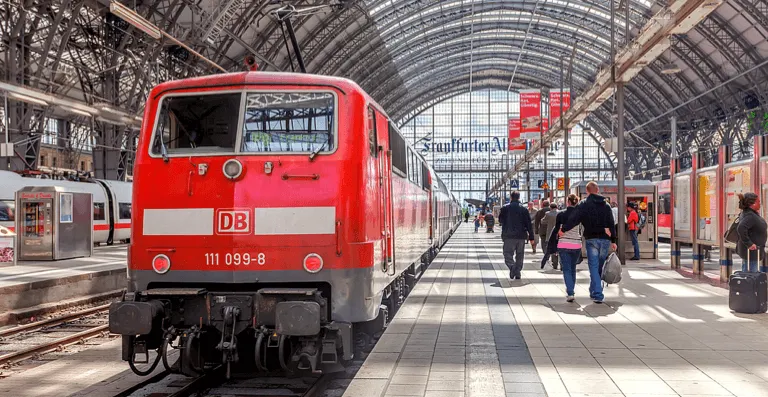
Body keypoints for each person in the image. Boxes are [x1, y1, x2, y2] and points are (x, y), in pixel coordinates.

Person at [560, 181, 616, 304]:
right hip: (605, 240)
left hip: (591, 240)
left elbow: (574, 219)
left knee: (594, 267)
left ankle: (598, 294)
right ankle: (594, 290)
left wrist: (563, 230)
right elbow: (611, 223)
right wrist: (614, 240)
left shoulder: (584, 204)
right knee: (599, 267)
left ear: (587, 191)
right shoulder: (606, 205)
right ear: (597, 190)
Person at [548, 194, 583, 302]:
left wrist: (552, 245)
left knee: (566, 269)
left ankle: (570, 292)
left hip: (564, 244)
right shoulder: (579, 215)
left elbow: (557, 231)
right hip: (576, 244)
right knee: (572, 268)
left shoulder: (561, 215)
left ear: (568, 202)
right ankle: (571, 289)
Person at [498, 191, 535, 280]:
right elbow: (528, 224)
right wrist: (531, 237)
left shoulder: (505, 208)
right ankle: (517, 271)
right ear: (518, 198)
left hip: (508, 236)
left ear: (511, 197)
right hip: (521, 236)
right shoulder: (524, 209)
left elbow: (500, 220)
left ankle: (513, 268)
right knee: (520, 254)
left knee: (507, 254)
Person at [735, 192, 767, 272]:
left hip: (753, 252)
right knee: (751, 275)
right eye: (758, 202)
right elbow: (741, 228)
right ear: (752, 204)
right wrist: (749, 244)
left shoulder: (750, 213)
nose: (760, 203)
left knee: (750, 274)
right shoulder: (750, 215)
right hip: (751, 253)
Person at [540, 202, 560, 269]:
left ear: (550, 208)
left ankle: (551, 262)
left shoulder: (548, 214)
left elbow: (543, 221)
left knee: (550, 247)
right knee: (557, 247)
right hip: (558, 233)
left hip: (550, 233)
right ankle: (556, 262)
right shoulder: (560, 213)